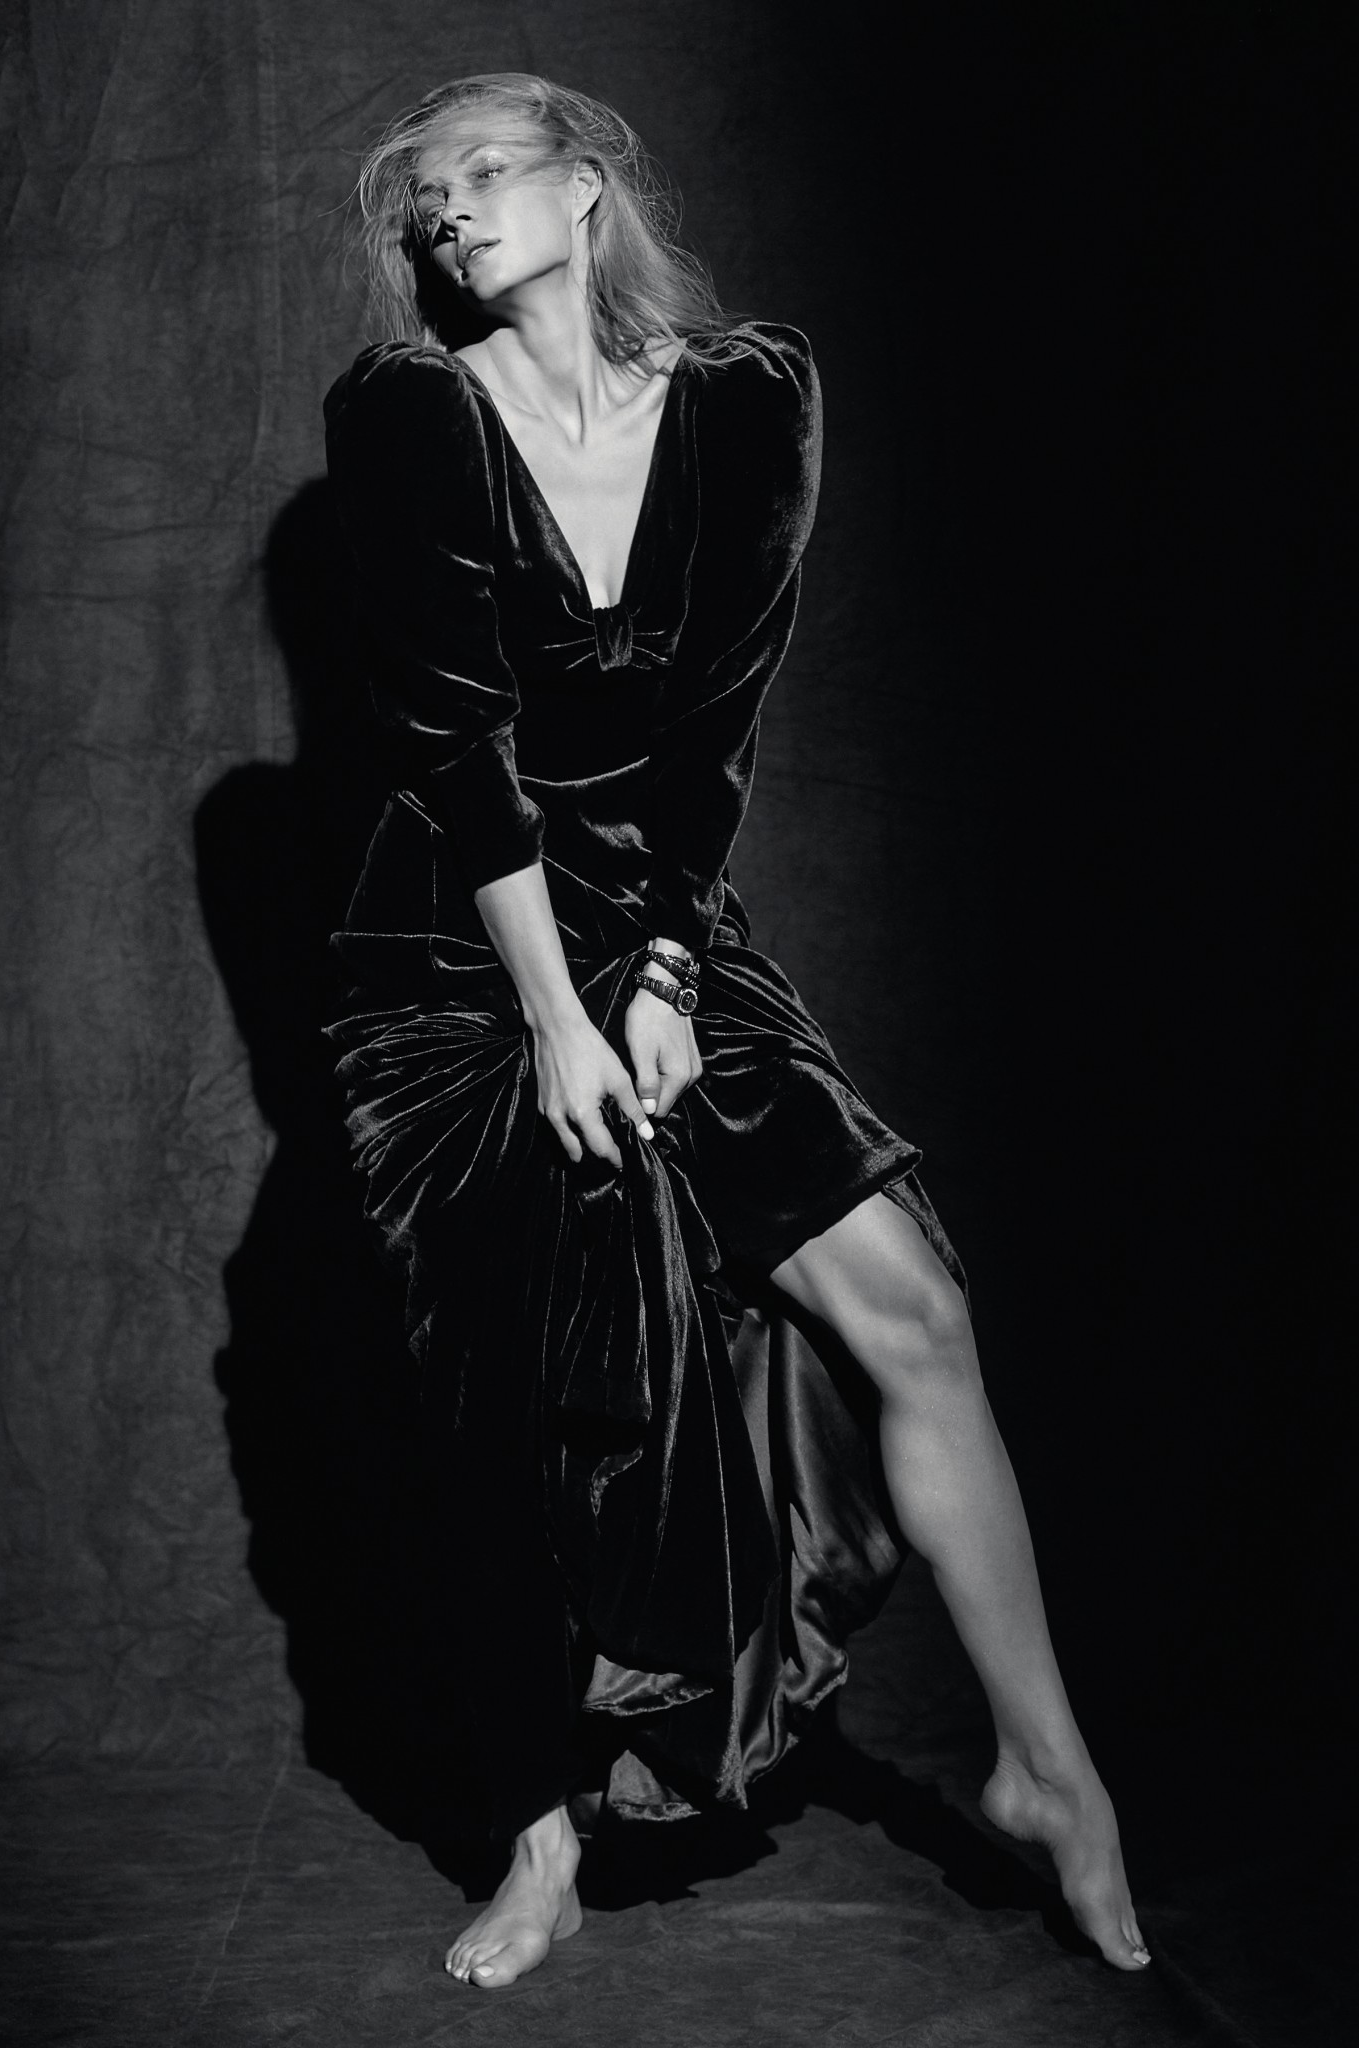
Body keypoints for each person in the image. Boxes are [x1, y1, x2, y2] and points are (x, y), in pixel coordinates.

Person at [323, 71, 1148, 1992]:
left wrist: (667, 980)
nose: (449, 217)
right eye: (424, 201)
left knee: (912, 1316)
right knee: (521, 1412)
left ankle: (1049, 1772)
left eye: (482, 176)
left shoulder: (748, 397)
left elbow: (714, 729)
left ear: (588, 186)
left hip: (658, 921)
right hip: (453, 948)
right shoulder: (410, 415)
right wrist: (558, 1017)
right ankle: (539, 1839)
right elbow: (450, 742)